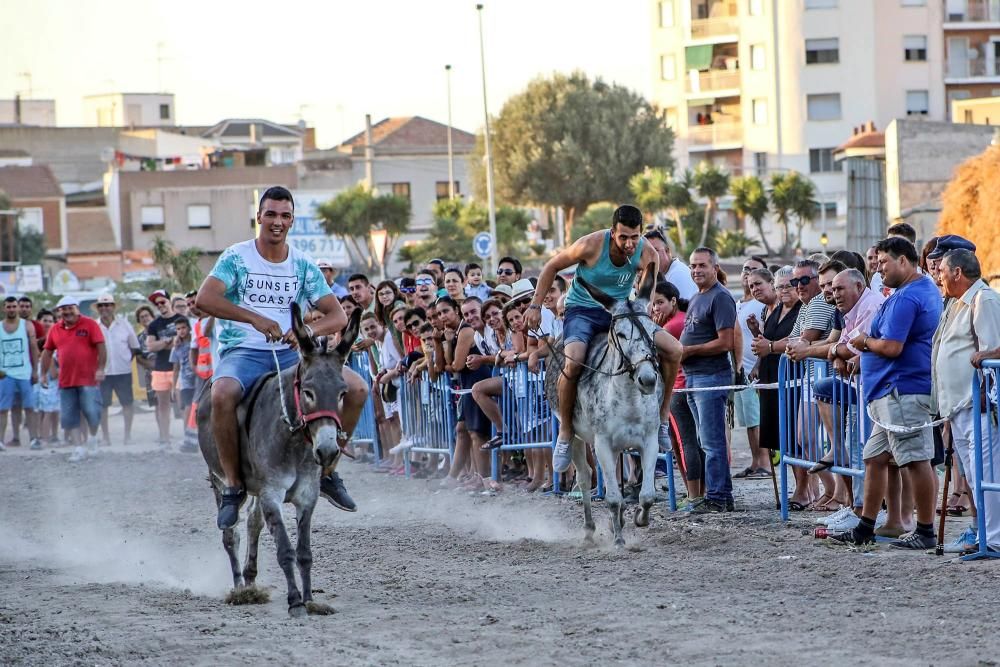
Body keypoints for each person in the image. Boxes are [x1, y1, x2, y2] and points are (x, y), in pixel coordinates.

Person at [195, 186, 367, 530]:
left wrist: (306, 330)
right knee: (222, 393)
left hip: (292, 357)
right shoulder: (236, 257)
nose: (277, 222)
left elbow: (337, 316)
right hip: (243, 350)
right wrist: (256, 319)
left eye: (285, 216)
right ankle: (232, 486)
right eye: (271, 214)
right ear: (259, 217)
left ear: (292, 220)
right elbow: (205, 299)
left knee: (359, 389)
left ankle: (329, 472)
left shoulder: (302, 264)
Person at [525, 204, 682, 474]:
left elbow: (647, 289)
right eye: (623, 237)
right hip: (583, 311)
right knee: (573, 362)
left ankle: (662, 418)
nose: (630, 243)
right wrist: (536, 305)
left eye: (634, 237)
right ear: (613, 232)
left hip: (620, 312)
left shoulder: (648, 253)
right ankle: (564, 432)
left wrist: (642, 318)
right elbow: (551, 266)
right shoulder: (591, 245)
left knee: (675, 349)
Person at [830, 237, 942, 550]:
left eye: (884, 262)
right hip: (891, 392)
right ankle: (865, 527)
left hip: (902, 390)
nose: (878, 269)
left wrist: (865, 343)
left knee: (915, 460)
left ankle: (925, 531)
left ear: (903, 260)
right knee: (875, 457)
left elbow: (892, 346)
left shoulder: (908, 297)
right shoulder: (913, 291)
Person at [933, 248, 1000, 555]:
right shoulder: (957, 303)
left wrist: (986, 355)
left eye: (942, 271)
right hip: (959, 405)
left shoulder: (982, 299)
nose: (939, 276)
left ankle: (994, 539)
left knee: (986, 472)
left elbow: (995, 347)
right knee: (974, 475)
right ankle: (985, 535)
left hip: (981, 405)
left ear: (957, 272)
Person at [679, 248, 737, 513]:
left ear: (715, 267)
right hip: (693, 376)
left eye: (702, 265)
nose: (696, 271)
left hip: (711, 375)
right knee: (706, 441)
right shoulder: (696, 297)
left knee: (713, 443)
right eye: (693, 266)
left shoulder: (721, 297)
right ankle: (721, 495)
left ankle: (717, 497)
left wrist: (690, 351)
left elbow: (726, 342)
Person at [40, 296, 106, 462]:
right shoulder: (55, 329)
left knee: (92, 411)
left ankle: (92, 438)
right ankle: (78, 448)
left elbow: (101, 346)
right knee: (69, 416)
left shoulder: (90, 324)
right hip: (66, 380)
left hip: (89, 379)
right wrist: (43, 373)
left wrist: (101, 369)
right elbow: (47, 352)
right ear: (59, 311)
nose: (67, 312)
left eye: (70, 308)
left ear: (77, 309)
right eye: (63, 309)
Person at [733, 255, 769, 480]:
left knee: (757, 418)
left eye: (754, 270)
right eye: (746, 269)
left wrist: (758, 364)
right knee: (747, 420)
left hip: (754, 369)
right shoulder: (739, 303)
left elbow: (765, 336)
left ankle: (764, 462)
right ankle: (754, 461)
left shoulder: (761, 303)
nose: (748, 273)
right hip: (740, 370)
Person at [95, 294, 139, 446]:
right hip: (103, 373)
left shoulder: (125, 325)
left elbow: (134, 347)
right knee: (103, 405)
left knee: (127, 403)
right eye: (101, 305)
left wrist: (126, 359)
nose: (104, 308)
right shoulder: (94, 326)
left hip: (123, 371)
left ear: (113, 307)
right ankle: (106, 437)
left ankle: (127, 436)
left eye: (107, 305)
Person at [145, 289, 187, 446]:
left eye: (162, 302)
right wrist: (169, 342)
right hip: (161, 368)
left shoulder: (181, 319)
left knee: (182, 404)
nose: (160, 305)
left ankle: (187, 437)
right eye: (157, 304)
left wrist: (162, 344)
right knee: (163, 406)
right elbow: (150, 346)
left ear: (169, 301)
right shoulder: (154, 325)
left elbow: (185, 340)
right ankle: (165, 438)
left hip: (180, 368)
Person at [0, 296, 40, 450]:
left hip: (24, 373)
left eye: (13, 306)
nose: (11, 309)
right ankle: (1, 441)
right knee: (3, 409)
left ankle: (34, 439)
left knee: (30, 407)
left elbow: (34, 349)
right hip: (5, 374)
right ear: (4, 309)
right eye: (8, 307)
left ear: (17, 308)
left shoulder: (27, 326)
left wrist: (35, 370)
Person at [643, 228, 697, 300]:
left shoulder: (678, 274)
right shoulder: (664, 274)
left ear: (667, 251)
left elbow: (681, 309)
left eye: (655, 250)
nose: (651, 256)